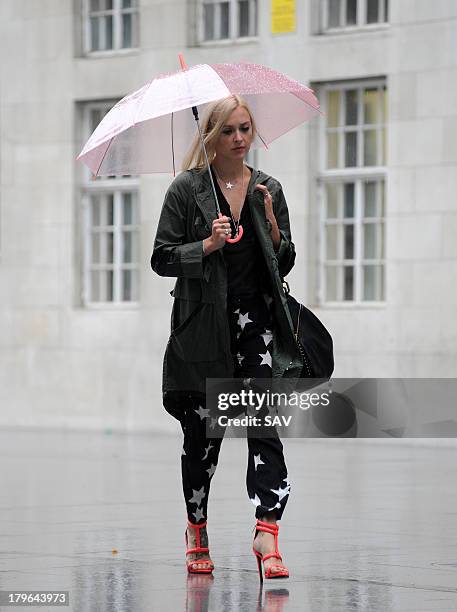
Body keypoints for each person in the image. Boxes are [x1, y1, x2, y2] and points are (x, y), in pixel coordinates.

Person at [151, 94, 303, 580]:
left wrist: (276, 235)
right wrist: (206, 245)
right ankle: (197, 528)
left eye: (245, 129)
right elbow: (161, 258)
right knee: (203, 435)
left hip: (255, 326)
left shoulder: (267, 189)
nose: (239, 139)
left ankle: (267, 533)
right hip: (202, 328)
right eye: (229, 131)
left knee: (264, 426)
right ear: (211, 136)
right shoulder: (186, 190)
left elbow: (284, 261)